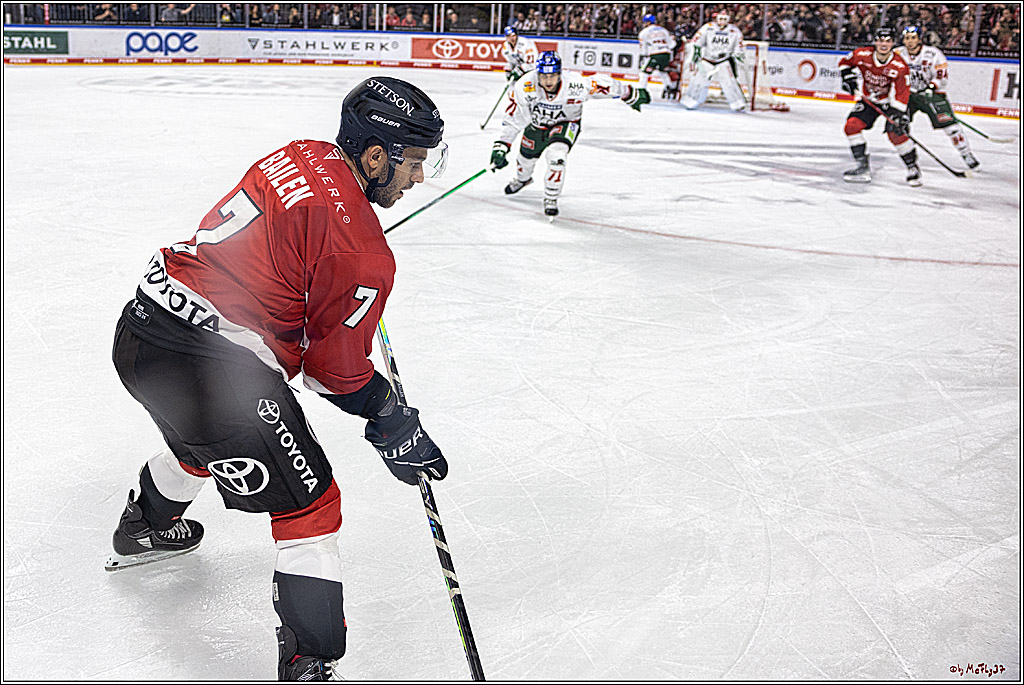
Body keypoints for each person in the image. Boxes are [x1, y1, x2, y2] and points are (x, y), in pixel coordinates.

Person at [106, 76, 450, 681]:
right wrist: (389, 418)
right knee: (311, 506)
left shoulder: (299, 154)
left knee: (206, 440)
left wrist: (337, 262)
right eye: (415, 162)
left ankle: (147, 526)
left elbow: (294, 238)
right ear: (376, 156)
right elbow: (333, 372)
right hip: (213, 362)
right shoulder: (361, 251)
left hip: (142, 330)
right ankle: (309, 660)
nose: (418, 178)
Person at [489, 51, 648, 217]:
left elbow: (605, 83)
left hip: (566, 123)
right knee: (525, 161)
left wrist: (630, 94)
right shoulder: (525, 86)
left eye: (553, 76)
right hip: (536, 126)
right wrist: (502, 145)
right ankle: (523, 179)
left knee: (557, 157)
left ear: (560, 74)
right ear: (538, 74)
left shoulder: (576, 85)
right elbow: (515, 118)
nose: (548, 81)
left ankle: (551, 197)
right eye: (544, 76)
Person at [838, 27, 921, 185]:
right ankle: (862, 167)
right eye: (881, 40)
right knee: (851, 126)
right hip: (869, 101)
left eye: (888, 41)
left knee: (895, 134)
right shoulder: (862, 54)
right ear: (875, 41)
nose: (884, 44)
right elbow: (844, 62)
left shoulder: (899, 66)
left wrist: (898, 114)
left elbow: (903, 92)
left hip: (892, 104)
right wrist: (847, 77)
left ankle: (912, 167)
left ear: (893, 43)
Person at [895, 25, 979, 169]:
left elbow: (942, 76)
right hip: (908, 95)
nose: (910, 41)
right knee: (899, 125)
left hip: (932, 95)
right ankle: (909, 155)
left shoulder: (933, 54)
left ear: (920, 39)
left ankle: (966, 153)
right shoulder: (897, 53)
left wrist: (931, 87)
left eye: (913, 38)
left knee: (951, 127)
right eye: (907, 38)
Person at [680, 11, 748, 112]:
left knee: (729, 82)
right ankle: (689, 100)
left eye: (725, 19)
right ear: (716, 19)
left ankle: (737, 103)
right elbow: (697, 40)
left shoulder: (734, 30)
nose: (722, 21)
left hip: (723, 60)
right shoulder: (708, 27)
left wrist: (738, 54)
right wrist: (696, 52)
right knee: (698, 80)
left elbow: (739, 45)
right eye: (720, 19)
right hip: (707, 59)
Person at [637, 13, 678, 99]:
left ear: (648, 22)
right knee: (663, 71)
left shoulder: (644, 32)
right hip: (666, 54)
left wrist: (645, 54)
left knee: (644, 73)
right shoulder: (663, 30)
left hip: (654, 54)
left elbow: (643, 47)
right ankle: (669, 88)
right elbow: (672, 45)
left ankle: (641, 91)